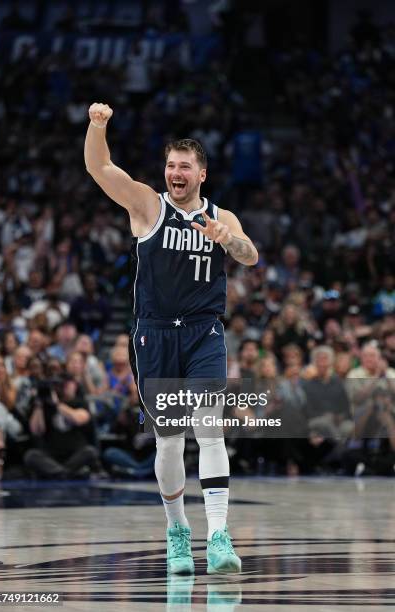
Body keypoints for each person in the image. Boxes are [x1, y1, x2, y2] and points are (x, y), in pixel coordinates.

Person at [85, 102, 258, 575]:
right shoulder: (149, 205)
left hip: (204, 333)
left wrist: (228, 239)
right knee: (168, 442)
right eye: (170, 165)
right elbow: (99, 167)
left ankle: (218, 534)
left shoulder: (222, 215)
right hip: (155, 336)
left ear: (201, 174)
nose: (175, 172)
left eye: (184, 166)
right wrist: (97, 126)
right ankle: (177, 530)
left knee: (210, 428)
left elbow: (250, 256)